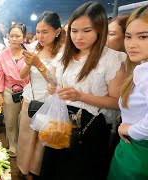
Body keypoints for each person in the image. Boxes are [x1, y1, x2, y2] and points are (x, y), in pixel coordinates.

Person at [40, 2, 126, 180]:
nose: (78, 37)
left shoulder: (112, 59)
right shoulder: (65, 53)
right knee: (52, 168)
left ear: (99, 29)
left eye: (86, 31)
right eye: (74, 30)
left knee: (77, 171)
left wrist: (81, 96)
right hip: (60, 121)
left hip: (89, 127)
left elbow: (117, 102)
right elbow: (55, 81)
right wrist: (53, 88)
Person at [17, 11, 65, 179]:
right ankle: (24, 169)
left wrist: (38, 64)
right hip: (29, 100)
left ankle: (36, 171)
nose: (40, 36)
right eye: (38, 32)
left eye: (45, 32)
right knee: (25, 138)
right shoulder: (35, 47)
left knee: (41, 141)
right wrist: (29, 63)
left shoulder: (62, 53)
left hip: (48, 103)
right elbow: (22, 76)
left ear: (57, 31)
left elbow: (55, 82)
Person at [108, 5, 148, 180]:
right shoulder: (139, 68)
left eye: (143, 37)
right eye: (128, 37)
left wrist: (133, 130)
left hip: (139, 156)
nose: (132, 44)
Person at [0, 23, 29, 157]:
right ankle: (13, 145)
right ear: (7, 37)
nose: (14, 39)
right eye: (12, 36)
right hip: (9, 91)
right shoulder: (3, 55)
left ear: (24, 37)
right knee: (10, 121)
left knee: (24, 121)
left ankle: (24, 146)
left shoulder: (29, 53)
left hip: (26, 92)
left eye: (18, 36)